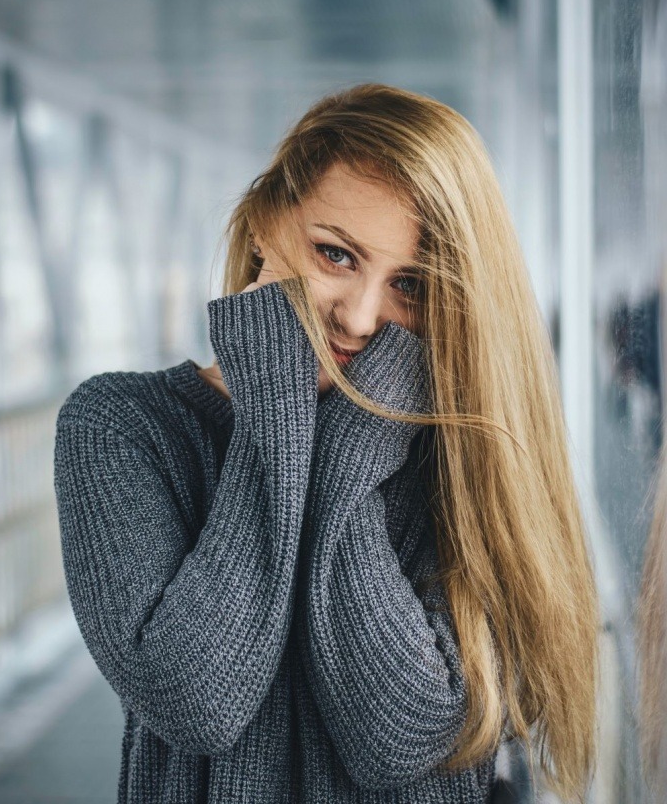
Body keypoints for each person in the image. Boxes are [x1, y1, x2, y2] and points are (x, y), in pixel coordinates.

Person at [53, 82, 600, 803]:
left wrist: (348, 448)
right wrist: (275, 419)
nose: (363, 318)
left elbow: (404, 736)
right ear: (263, 223)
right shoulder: (120, 426)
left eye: (408, 284)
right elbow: (196, 701)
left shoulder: (463, 456)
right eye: (336, 256)